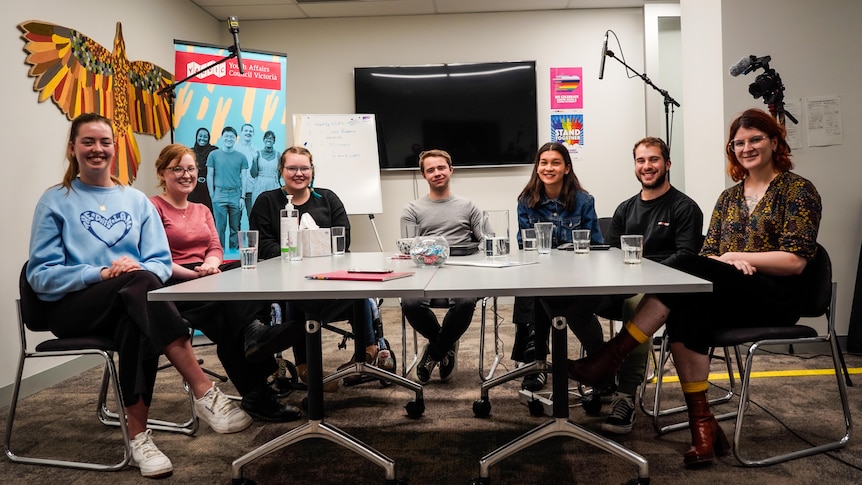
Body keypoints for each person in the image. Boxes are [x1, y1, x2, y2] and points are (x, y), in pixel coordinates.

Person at [567, 108, 821, 468]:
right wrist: (726, 262)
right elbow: (710, 255)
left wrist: (736, 256)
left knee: (684, 266)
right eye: (739, 142)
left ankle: (614, 354)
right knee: (686, 305)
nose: (746, 147)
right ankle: (702, 427)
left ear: (775, 142)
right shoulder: (729, 198)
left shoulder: (797, 190)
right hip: (733, 292)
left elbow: (795, 261)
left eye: (755, 139)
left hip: (777, 295)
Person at [26, 113, 252, 479]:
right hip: (74, 307)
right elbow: (40, 276)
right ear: (72, 149)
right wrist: (100, 273)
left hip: (130, 300)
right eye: (88, 142)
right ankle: (203, 389)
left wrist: (132, 273)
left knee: (137, 316)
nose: (97, 149)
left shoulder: (135, 200)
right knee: (139, 285)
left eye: (105, 142)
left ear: (115, 149)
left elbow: (161, 264)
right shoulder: (55, 201)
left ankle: (138, 439)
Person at [150, 143, 303, 423]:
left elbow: (215, 246)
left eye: (191, 169)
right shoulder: (153, 207)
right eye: (177, 169)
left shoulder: (201, 208)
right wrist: (195, 273)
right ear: (162, 173)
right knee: (230, 317)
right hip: (174, 279)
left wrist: (210, 264)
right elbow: (154, 257)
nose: (186, 175)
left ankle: (253, 348)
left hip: (207, 273)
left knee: (246, 275)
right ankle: (258, 378)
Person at [249, 146, 391, 389]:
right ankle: (307, 366)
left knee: (358, 286)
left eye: (304, 168)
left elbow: (342, 240)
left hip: (329, 280)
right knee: (296, 294)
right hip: (286, 281)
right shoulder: (267, 202)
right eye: (292, 168)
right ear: (281, 171)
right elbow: (263, 244)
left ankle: (365, 353)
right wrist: (303, 251)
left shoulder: (327, 198)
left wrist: (305, 249)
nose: (299, 173)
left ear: (312, 170)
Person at [597, 136, 703, 434]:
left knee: (636, 305)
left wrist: (647, 276)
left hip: (663, 291)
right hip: (623, 283)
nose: (647, 166)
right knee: (578, 301)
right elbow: (609, 255)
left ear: (667, 164)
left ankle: (625, 395)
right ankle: (599, 372)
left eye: (653, 159)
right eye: (641, 161)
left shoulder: (684, 208)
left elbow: (686, 257)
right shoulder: (625, 208)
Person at [512, 142, 604, 392]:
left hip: (576, 276)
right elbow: (523, 245)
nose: (548, 167)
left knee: (543, 296)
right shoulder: (526, 200)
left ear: (566, 168)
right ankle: (538, 360)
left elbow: (595, 244)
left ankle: (538, 359)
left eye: (555, 162)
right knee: (535, 289)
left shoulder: (583, 201)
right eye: (543, 162)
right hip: (539, 274)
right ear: (537, 167)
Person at [400, 149, 484, 384]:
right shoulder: (412, 210)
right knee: (410, 303)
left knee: (467, 301)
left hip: (462, 271)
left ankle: (434, 352)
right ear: (423, 175)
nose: (437, 173)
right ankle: (446, 344)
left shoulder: (469, 206)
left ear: (450, 170)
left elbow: (487, 241)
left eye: (441, 168)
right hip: (426, 271)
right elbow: (407, 249)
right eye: (430, 170)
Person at [206, 126, 247, 251]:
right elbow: (210, 175)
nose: (229, 139)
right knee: (220, 228)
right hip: (219, 194)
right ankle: (219, 254)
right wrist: (212, 195)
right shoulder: (213, 155)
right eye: (226, 136)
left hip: (235, 194)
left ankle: (234, 254)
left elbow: (244, 178)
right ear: (222, 137)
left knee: (235, 228)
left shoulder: (241, 157)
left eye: (232, 137)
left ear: (236, 139)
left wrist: (242, 197)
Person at [250, 130, 281, 208]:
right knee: (258, 207)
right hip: (259, 184)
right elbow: (253, 174)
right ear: (263, 140)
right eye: (267, 138)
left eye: (271, 138)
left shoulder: (278, 155)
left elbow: (280, 174)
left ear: (274, 141)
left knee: (273, 207)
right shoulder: (257, 154)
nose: (269, 140)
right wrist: (254, 160)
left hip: (273, 184)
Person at [189, 127, 216, 211]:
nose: (202, 139)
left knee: (209, 216)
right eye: (200, 136)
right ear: (196, 137)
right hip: (194, 189)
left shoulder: (214, 151)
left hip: (209, 190)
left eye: (205, 137)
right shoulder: (190, 152)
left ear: (209, 138)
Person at [236, 123, 259, 218]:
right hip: (237, 189)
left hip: (251, 190)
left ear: (253, 134)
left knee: (252, 218)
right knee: (236, 220)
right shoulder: (234, 148)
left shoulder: (256, 151)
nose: (248, 133)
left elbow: (256, 171)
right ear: (241, 133)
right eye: (246, 130)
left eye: (250, 131)